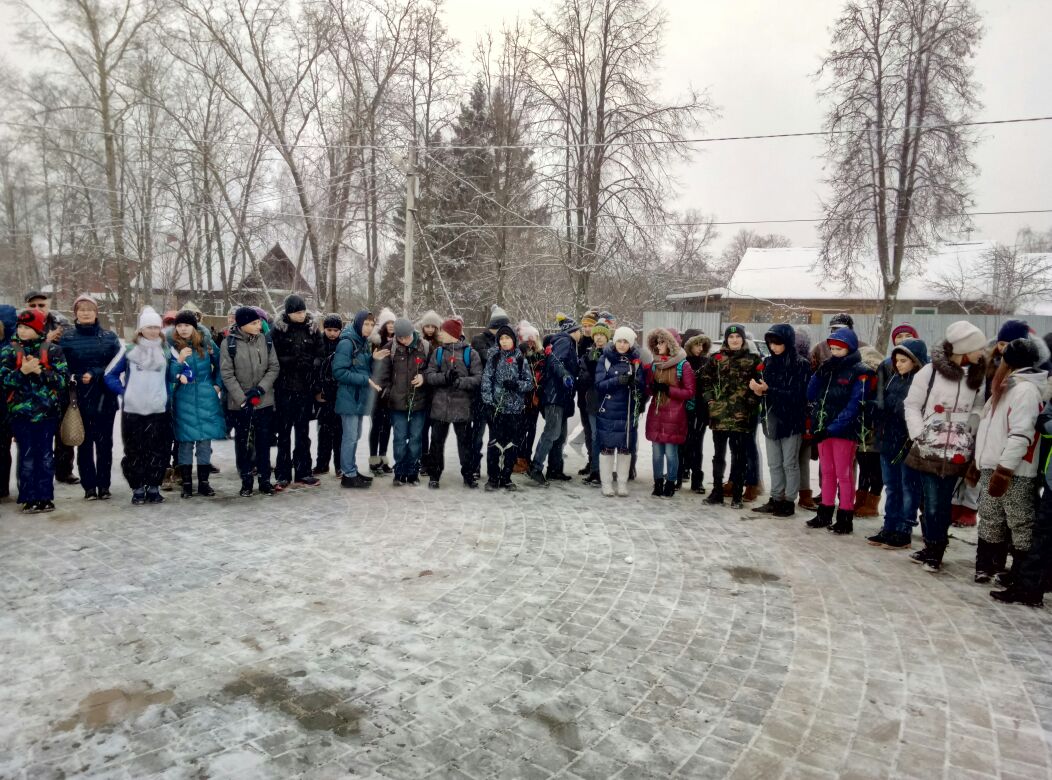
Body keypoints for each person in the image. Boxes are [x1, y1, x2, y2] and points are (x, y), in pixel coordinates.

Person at [903, 321, 987, 572]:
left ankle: (935, 548)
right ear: (963, 349)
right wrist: (919, 433)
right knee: (931, 501)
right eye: (978, 347)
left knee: (943, 501)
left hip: (958, 448)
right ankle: (933, 546)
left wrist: (972, 424)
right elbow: (912, 404)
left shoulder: (977, 376)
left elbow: (978, 406)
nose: (982, 352)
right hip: (930, 445)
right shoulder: (929, 372)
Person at [971, 337, 1048, 588]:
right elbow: (989, 427)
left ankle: (1020, 572)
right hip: (993, 464)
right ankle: (987, 563)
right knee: (990, 515)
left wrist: (1004, 470)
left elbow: (1021, 434)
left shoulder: (1025, 390)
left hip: (1014, 470)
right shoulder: (1006, 385)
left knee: (1018, 520)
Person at [104, 306, 179, 505]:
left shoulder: (166, 350)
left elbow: (178, 372)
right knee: (135, 450)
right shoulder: (129, 349)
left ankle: (154, 487)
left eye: (156, 327)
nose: (153, 331)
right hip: (133, 410)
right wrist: (124, 392)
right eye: (149, 327)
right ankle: (137, 488)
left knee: (159, 449)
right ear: (141, 329)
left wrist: (179, 375)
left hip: (159, 409)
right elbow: (109, 375)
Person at [805, 327, 872, 534]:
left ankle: (845, 515)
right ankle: (825, 512)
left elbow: (855, 404)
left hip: (844, 431)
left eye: (839, 349)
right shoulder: (828, 368)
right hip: (823, 428)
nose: (834, 353)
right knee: (827, 472)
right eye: (832, 349)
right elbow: (811, 393)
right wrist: (818, 374)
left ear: (849, 348)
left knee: (844, 473)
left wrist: (833, 428)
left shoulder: (861, 371)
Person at [0, 308, 68, 513]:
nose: (22, 331)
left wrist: (41, 372)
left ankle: (45, 496)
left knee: (45, 456)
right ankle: (28, 496)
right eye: (20, 327)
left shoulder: (53, 350)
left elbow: (62, 381)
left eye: (27, 327)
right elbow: (4, 381)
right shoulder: (9, 351)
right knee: (27, 456)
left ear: (38, 329)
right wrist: (22, 372)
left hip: (47, 414)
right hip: (21, 415)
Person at [58, 295, 121, 500]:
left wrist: (95, 372)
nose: (85, 313)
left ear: (96, 312)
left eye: (89, 309)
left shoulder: (109, 337)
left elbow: (117, 365)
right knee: (84, 444)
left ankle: (104, 485)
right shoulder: (67, 338)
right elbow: (60, 366)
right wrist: (75, 377)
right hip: (79, 398)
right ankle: (89, 487)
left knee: (104, 445)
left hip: (104, 397)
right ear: (75, 313)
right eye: (81, 309)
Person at [870, 338, 928, 549]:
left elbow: (911, 412)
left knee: (908, 487)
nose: (898, 364)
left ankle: (904, 530)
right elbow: (886, 403)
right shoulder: (894, 378)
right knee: (892, 486)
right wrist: (874, 408)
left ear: (916, 361)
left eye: (904, 361)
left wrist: (893, 414)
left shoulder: (920, 383)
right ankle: (890, 525)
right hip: (887, 439)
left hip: (906, 442)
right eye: (897, 360)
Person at [750, 323, 811, 517]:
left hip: (791, 420)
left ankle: (789, 501)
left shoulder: (801, 364)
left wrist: (769, 390)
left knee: (789, 463)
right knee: (774, 463)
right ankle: (775, 498)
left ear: (788, 341)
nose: (773, 347)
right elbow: (765, 388)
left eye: (777, 343)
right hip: (771, 419)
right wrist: (757, 389)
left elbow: (798, 395)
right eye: (770, 343)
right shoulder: (768, 362)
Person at [221, 306, 281, 497]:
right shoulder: (229, 343)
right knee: (243, 444)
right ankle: (246, 480)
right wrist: (242, 399)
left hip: (263, 401)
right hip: (240, 404)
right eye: (254, 323)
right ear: (243, 324)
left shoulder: (266, 340)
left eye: (259, 322)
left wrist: (260, 389)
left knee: (263, 443)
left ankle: (265, 480)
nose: (258, 326)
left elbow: (274, 367)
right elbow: (227, 374)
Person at [169, 310, 226, 498]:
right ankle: (187, 484)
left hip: (205, 397)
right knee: (185, 442)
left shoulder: (207, 344)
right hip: (183, 398)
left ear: (194, 326)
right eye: (179, 325)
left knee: (204, 441)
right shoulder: (172, 346)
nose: (183, 329)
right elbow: (168, 374)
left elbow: (221, 364)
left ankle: (204, 483)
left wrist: (217, 385)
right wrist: (179, 361)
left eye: (187, 325)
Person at [703, 324, 761, 509]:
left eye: (738, 337)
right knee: (718, 455)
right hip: (720, 415)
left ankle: (737, 494)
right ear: (726, 339)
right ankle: (717, 492)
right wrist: (710, 401)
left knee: (739, 455)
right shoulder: (716, 359)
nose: (734, 340)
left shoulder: (753, 359)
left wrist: (750, 403)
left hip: (741, 415)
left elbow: (759, 385)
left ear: (743, 339)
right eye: (731, 337)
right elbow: (705, 381)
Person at [26, 290, 78, 485]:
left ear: (48, 305)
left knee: (63, 431)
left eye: (41, 305)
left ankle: (64, 470)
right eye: (33, 305)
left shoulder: (63, 326)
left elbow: (72, 351)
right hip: (34, 388)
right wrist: (45, 341)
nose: (37, 309)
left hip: (60, 384)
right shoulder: (21, 325)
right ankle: (40, 472)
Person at [272, 294, 323, 490]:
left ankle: (303, 471)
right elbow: (273, 357)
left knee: (303, 433)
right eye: (297, 312)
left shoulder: (312, 329)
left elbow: (320, 353)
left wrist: (313, 363)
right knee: (284, 433)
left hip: (305, 388)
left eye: (303, 311)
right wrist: (290, 361)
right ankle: (283, 473)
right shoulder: (278, 330)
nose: (301, 315)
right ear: (289, 313)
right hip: (284, 388)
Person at [424, 318, 482, 489]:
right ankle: (434, 475)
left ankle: (468, 474)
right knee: (436, 442)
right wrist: (444, 377)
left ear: (452, 334)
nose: (440, 333)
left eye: (443, 331)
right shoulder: (438, 352)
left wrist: (460, 382)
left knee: (465, 443)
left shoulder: (470, 354)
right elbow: (429, 375)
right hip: (440, 406)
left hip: (462, 406)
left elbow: (478, 378)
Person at [374, 318, 430, 486]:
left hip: (419, 401)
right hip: (396, 403)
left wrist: (424, 377)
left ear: (412, 333)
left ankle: (412, 471)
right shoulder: (389, 348)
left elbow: (433, 369)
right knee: (399, 438)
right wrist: (388, 392)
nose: (404, 340)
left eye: (406, 337)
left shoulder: (425, 347)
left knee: (415, 439)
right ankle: (399, 471)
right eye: (400, 337)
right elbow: (381, 374)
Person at [527, 315, 582, 487]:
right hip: (554, 395)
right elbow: (555, 361)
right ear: (573, 331)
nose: (580, 333)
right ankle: (536, 467)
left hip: (561, 396)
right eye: (578, 330)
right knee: (552, 432)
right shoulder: (565, 341)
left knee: (560, 435)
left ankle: (555, 469)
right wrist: (565, 375)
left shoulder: (566, 343)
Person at [480, 324, 535, 490]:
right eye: (501, 339)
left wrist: (516, 385)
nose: (504, 341)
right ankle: (493, 478)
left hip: (515, 410)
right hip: (497, 409)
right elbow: (486, 381)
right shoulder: (494, 358)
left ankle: (506, 477)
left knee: (512, 444)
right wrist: (488, 403)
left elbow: (529, 383)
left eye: (507, 338)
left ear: (514, 340)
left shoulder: (521, 359)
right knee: (495, 444)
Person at [595, 327, 646, 497]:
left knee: (625, 448)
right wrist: (617, 380)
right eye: (619, 341)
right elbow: (599, 385)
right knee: (607, 448)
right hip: (609, 410)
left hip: (627, 410)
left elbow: (642, 386)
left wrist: (636, 384)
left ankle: (622, 483)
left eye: (626, 342)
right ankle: (606, 483)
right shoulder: (605, 359)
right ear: (614, 341)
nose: (622, 345)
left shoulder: (636, 361)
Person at [644, 327, 695, 498]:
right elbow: (649, 389)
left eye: (662, 342)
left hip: (675, 415)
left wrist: (669, 390)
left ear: (670, 344)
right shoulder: (655, 364)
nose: (658, 346)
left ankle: (671, 482)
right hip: (657, 413)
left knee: (671, 452)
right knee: (657, 452)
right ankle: (658, 482)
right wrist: (651, 387)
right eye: (657, 342)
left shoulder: (683, 365)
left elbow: (690, 392)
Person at [333, 311, 378, 488]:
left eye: (371, 324)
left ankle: (351, 469)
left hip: (358, 398)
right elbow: (339, 372)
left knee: (355, 436)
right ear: (358, 324)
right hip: (349, 397)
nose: (369, 328)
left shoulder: (363, 341)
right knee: (350, 437)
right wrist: (365, 380)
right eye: (366, 324)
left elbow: (361, 367)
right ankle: (348, 474)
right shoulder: (346, 343)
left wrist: (373, 359)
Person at [471, 304, 511, 479]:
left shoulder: (506, 340)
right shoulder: (479, 340)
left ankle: (494, 469)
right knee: (477, 435)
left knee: (496, 436)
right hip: (481, 396)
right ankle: (474, 465)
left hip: (499, 396)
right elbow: (488, 357)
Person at [853, 342, 886, 518]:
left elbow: (881, 405)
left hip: (875, 430)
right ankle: (861, 498)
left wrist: (869, 406)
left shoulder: (882, 382)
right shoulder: (859, 380)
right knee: (864, 465)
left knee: (875, 468)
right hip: (861, 430)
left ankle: (872, 502)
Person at [680, 331, 711, 494]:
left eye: (702, 345)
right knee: (681, 443)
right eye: (696, 344)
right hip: (683, 409)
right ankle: (679, 474)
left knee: (697, 445)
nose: (700, 348)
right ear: (688, 345)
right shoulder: (682, 361)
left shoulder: (707, 362)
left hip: (700, 410)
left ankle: (697, 479)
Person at [313, 314, 344, 476]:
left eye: (335, 330)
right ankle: (322, 463)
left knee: (339, 432)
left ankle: (339, 465)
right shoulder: (318, 343)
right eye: (329, 330)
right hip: (323, 394)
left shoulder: (343, 345)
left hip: (339, 394)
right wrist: (317, 390)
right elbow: (315, 369)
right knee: (324, 431)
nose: (332, 333)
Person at [579, 320, 609, 485]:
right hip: (592, 400)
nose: (598, 338)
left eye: (602, 335)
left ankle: (605, 470)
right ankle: (595, 470)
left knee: (606, 437)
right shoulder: (588, 354)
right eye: (596, 334)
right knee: (594, 435)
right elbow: (583, 377)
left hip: (609, 401)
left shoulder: (612, 354)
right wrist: (588, 374)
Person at [415, 309, 444, 475]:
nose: (431, 329)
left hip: (438, 392)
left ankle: (434, 460)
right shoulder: (419, 343)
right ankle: (423, 461)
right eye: (428, 326)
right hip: (423, 392)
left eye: (434, 326)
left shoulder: (442, 344)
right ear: (423, 327)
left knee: (437, 431)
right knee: (423, 429)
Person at [368, 307, 396, 475]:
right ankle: (373, 459)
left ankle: (383, 458)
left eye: (393, 322)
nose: (391, 325)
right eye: (388, 323)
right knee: (376, 425)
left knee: (387, 426)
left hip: (391, 390)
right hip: (376, 390)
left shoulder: (399, 342)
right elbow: (369, 365)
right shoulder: (375, 342)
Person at [516, 320, 544, 474]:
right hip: (521, 399)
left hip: (535, 399)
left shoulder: (541, 356)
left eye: (533, 341)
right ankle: (519, 458)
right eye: (528, 341)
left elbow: (543, 374)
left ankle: (527, 457)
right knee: (520, 430)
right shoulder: (518, 355)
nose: (531, 344)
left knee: (531, 429)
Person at [575, 310, 599, 477]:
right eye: (584, 325)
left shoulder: (599, 342)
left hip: (595, 394)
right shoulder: (579, 343)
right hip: (582, 393)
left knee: (595, 431)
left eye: (590, 325)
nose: (586, 328)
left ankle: (597, 464)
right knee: (587, 430)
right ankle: (591, 461)